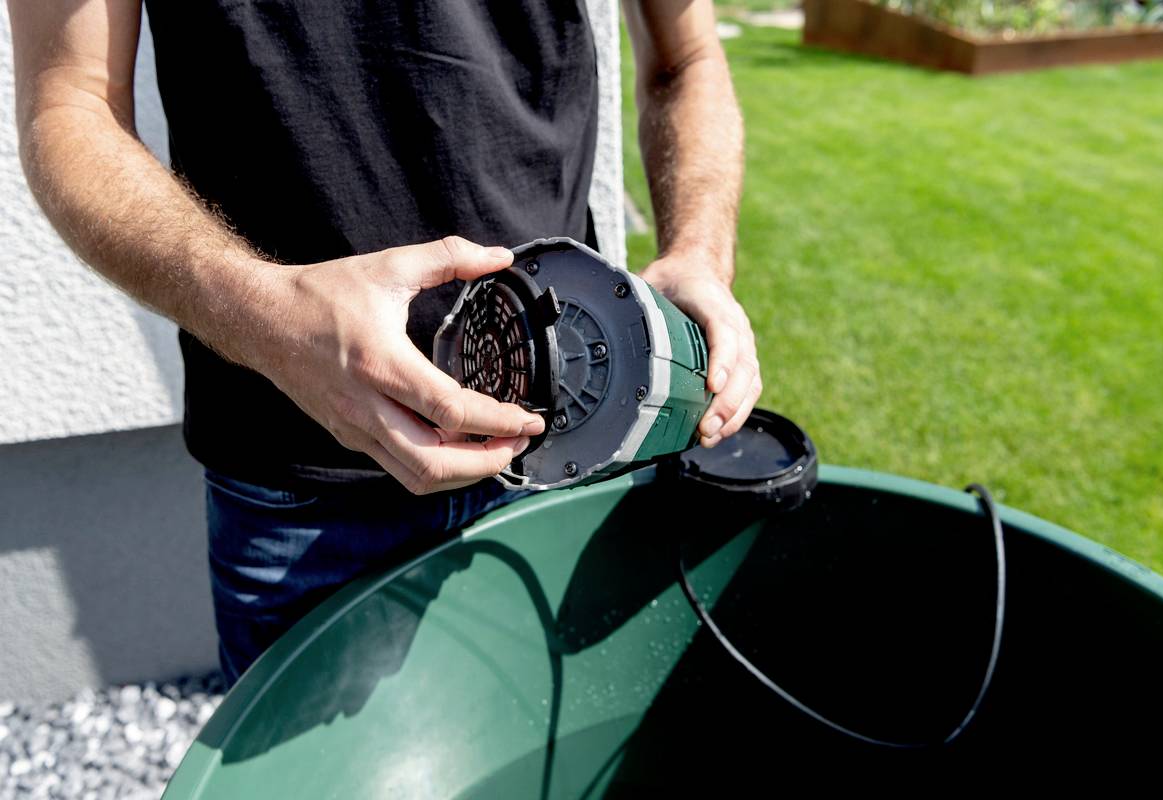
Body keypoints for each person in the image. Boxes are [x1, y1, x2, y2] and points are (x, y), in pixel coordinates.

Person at [8, 0, 760, 686]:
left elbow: (684, 57)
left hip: (574, 449)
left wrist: (697, 253)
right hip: (301, 498)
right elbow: (69, 101)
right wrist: (261, 314)